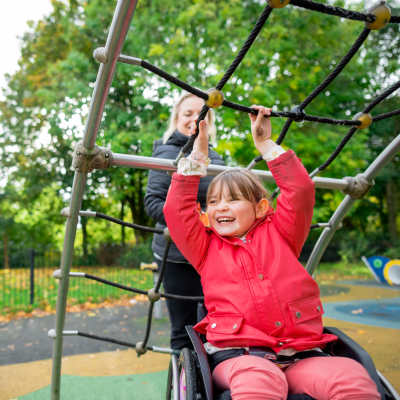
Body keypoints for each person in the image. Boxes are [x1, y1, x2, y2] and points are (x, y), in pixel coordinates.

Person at [163, 106, 380, 399]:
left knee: (350, 377)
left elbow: (299, 190)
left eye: (233, 199)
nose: (220, 207)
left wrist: (266, 144)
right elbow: (176, 211)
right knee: (260, 381)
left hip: (302, 354)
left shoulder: (281, 233)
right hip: (240, 356)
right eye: (213, 202)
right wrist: (197, 158)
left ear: (261, 208)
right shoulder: (206, 248)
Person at [144, 92, 225, 350]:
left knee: (217, 324)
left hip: (212, 253)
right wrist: (195, 222)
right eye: (188, 113)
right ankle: (186, 384)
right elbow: (153, 203)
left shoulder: (218, 159)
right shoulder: (167, 153)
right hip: (177, 255)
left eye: (202, 114)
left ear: (209, 122)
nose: (195, 119)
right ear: (177, 118)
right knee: (184, 328)